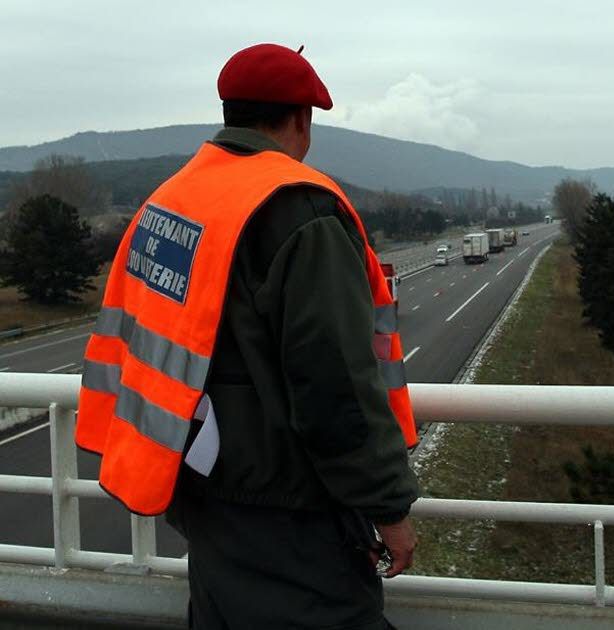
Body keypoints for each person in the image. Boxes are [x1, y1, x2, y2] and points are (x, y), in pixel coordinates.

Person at [76, 43, 420, 628]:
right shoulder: (301, 211)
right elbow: (334, 385)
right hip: (288, 512)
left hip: (204, 496)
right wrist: (387, 506)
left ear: (230, 112)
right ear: (300, 120)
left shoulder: (171, 200)